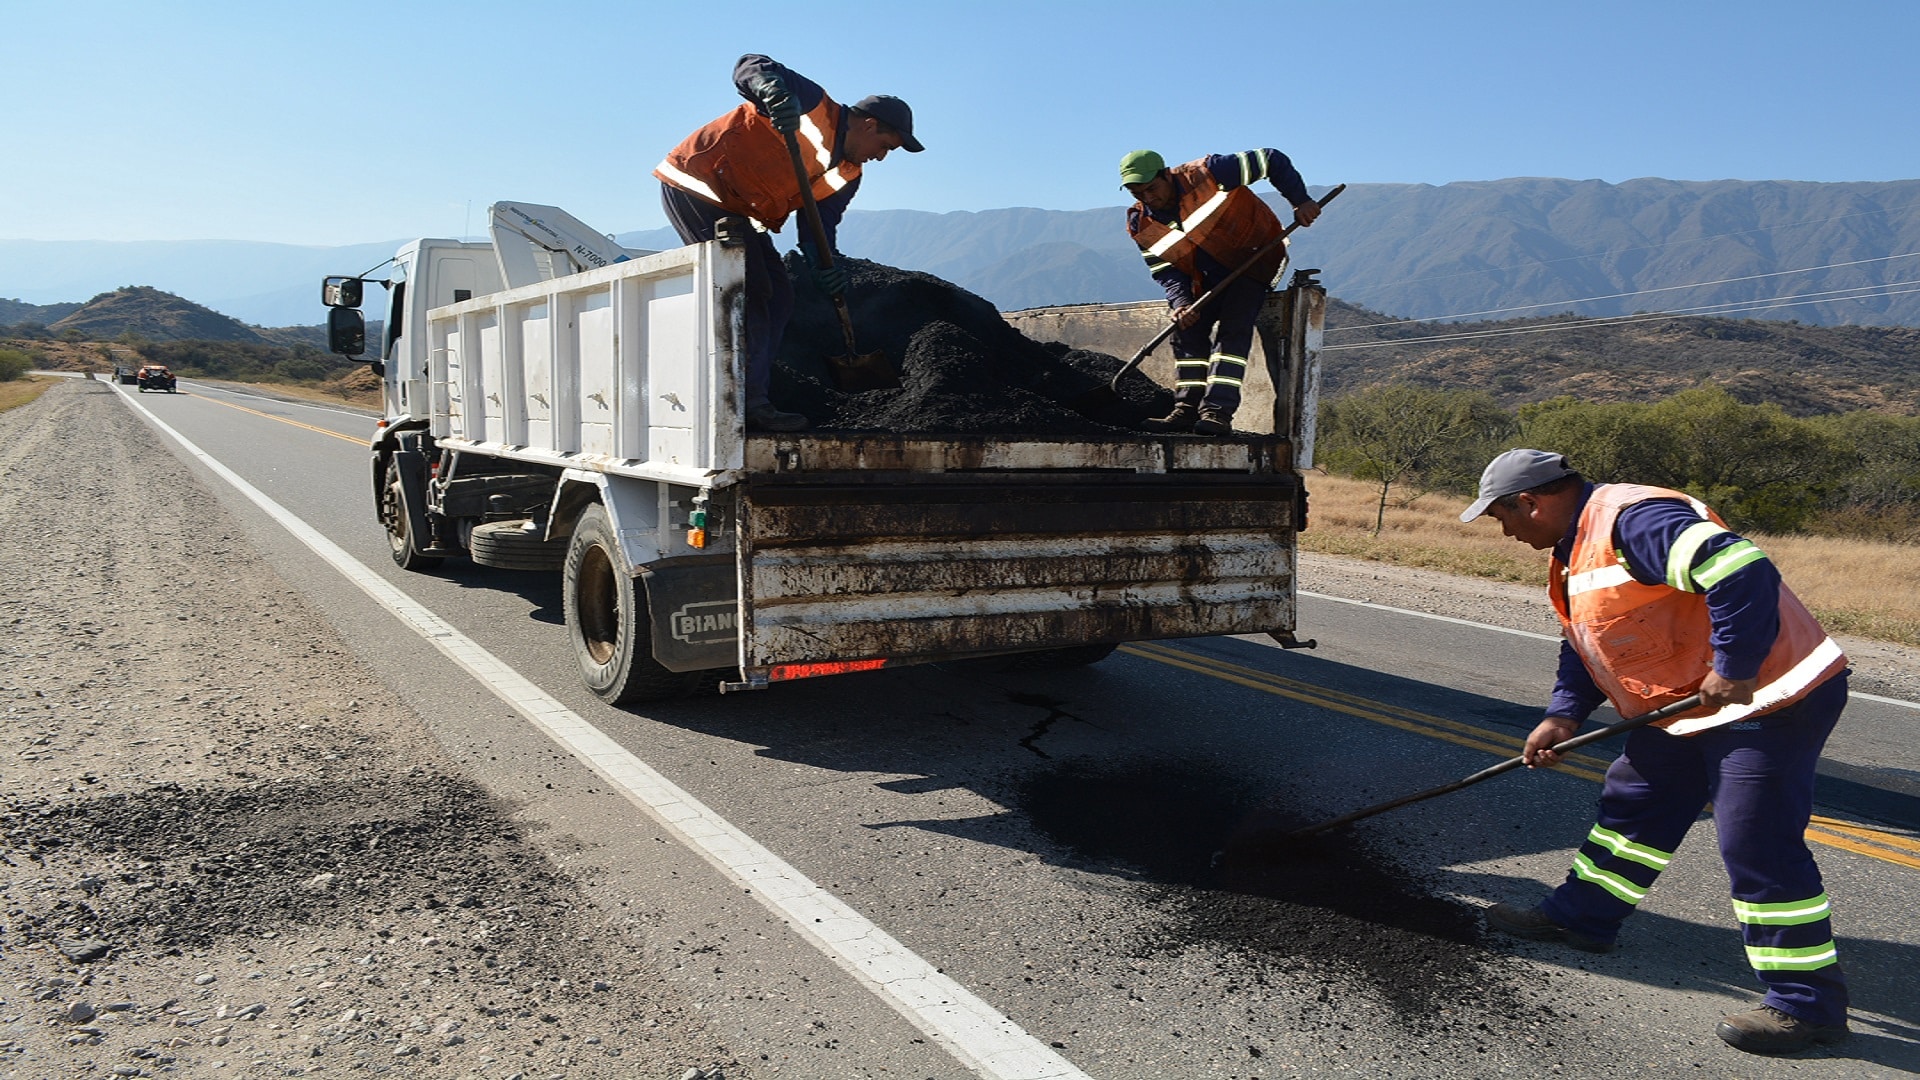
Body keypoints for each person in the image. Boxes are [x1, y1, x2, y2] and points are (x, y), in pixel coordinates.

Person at [1462, 448, 1852, 1055]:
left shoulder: (1633, 521)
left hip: (1769, 700)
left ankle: (1808, 1005)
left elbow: (1743, 569)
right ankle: (1583, 916)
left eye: (1502, 518)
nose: (1507, 531)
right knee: (1633, 807)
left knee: (1756, 841)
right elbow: (1591, 642)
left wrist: (1735, 665)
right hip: (1686, 706)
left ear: (1529, 503)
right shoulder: (1574, 549)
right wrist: (1562, 715)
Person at [656, 54, 922, 432]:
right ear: (868, 124)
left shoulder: (849, 173)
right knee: (749, 290)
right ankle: (742, 404)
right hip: (697, 185)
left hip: (739, 212)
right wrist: (772, 92)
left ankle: (754, 396)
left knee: (780, 295)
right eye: (885, 146)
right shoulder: (814, 104)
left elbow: (818, 226)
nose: (880, 157)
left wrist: (822, 265)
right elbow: (751, 65)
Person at [1119, 148, 1319, 435]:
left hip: (1254, 260)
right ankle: (1186, 410)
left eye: (1152, 188)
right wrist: (1181, 303)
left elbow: (1271, 159)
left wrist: (1300, 201)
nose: (1149, 198)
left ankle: (1217, 413)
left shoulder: (1210, 173)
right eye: (1139, 193)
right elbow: (1166, 271)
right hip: (1203, 279)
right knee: (1186, 331)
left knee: (1233, 330)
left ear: (1166, 175)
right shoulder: (1141, 223)